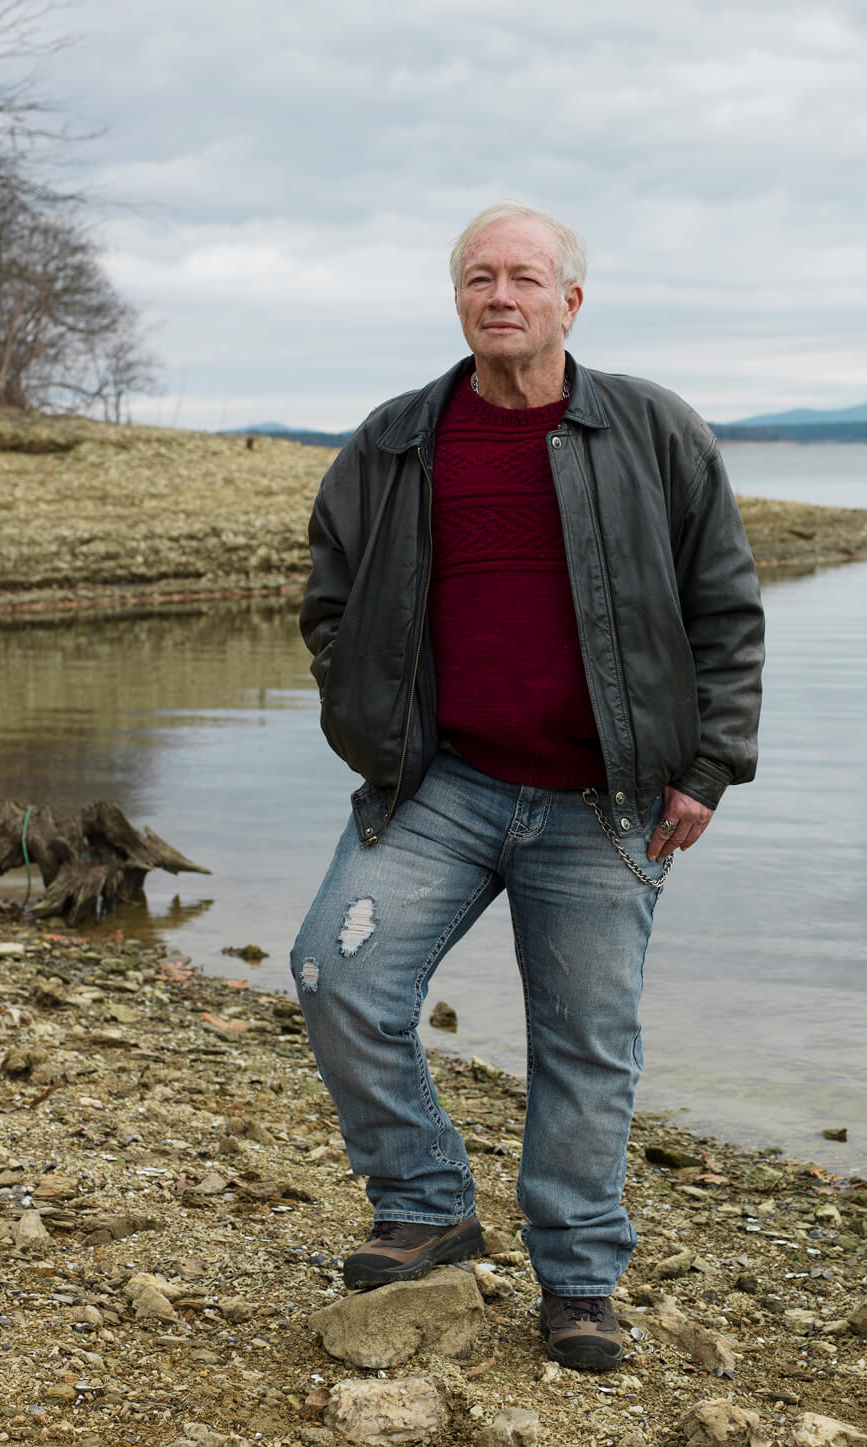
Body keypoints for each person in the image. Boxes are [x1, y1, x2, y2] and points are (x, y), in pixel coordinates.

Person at [290, 202, 763, 1371]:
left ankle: (581, 1278)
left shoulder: (654, 430)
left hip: (607, 801)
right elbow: (330, 601)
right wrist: (365, 712)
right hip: (440, 786)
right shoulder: (396, 440)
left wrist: (711, 766)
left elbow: (727, 612)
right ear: (458, 299)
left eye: (524, 278)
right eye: (479, 278)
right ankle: (425, 1198)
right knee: (333, 972)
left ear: (570, 302)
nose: (501, 296)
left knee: (586, 1043)